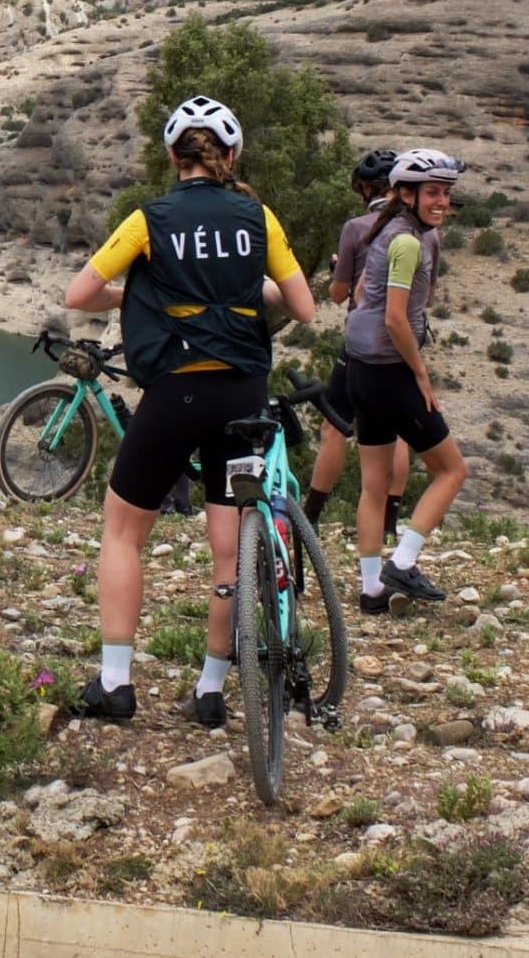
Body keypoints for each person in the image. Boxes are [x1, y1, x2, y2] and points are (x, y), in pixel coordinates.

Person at [60, 96, 316, 726]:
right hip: (243, 396)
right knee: (228, 550)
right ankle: (210, 691)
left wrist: (141, 290)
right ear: (230, 156)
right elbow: (302, 307)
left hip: (175, 395)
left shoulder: (150, 218)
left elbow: (79, 294)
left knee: (123, 532)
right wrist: (240, 295)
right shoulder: (259, 216)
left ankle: (115, 684)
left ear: (173, 157)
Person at [343, 148, 469, 615]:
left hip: (360, 369)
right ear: (405, 193)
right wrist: (421, 373)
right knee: (452, 470)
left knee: (374, 484)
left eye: (446, 193)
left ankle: (372, 589)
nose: (441, 201)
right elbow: (396, 319)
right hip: (389, 372)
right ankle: (404, 560)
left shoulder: (384, 231)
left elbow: (359, 295)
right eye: (432, 192)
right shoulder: (410, 242)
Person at [303, 149, 410, 535]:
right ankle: (388, 523)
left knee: (335, 426)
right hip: (405, 340)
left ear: (366, 188)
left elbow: (337, 294)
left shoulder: (356, 227)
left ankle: (310, 516)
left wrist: (337, 269)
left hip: (362, 341)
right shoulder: (419, 229)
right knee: (394, 429)